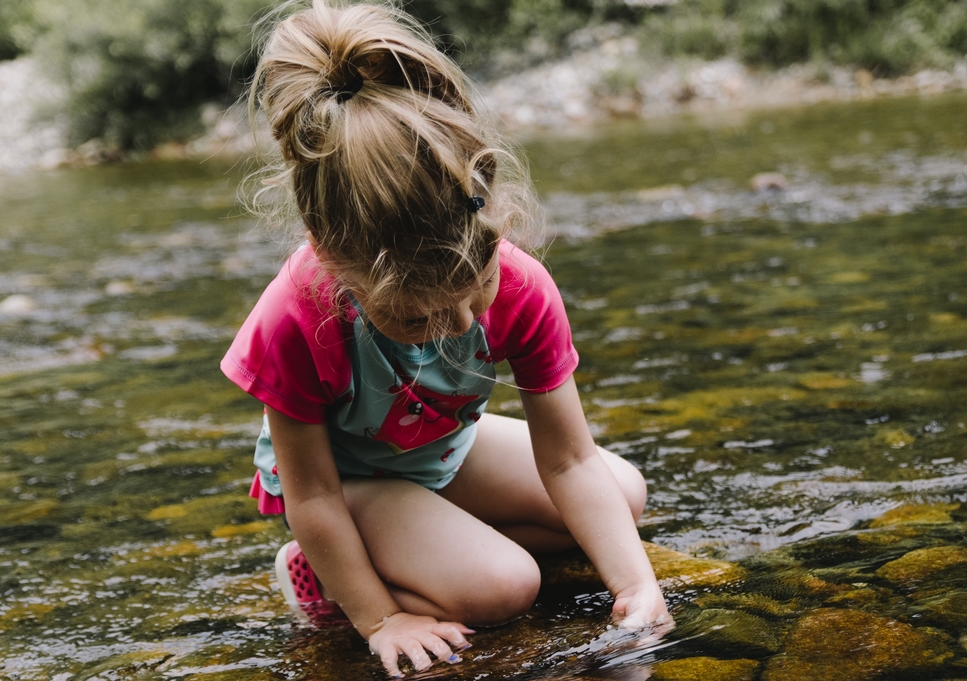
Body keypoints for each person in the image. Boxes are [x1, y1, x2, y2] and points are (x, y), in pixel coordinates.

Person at [220, 2, 670, 677]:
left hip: (439, 450)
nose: (460, 325)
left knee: (620, 494)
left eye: (475, 291)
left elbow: (570, 459)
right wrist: (380, 617)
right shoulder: (295, 317)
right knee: (505, 586)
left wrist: (635, 585)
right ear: (339, 267)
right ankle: (326, 577)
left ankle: (432, 543)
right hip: (350, 485)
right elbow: (310, 496)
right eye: (415, 319)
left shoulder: (521, 284)